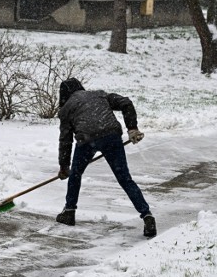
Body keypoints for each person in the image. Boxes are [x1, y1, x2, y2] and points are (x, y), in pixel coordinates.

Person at [55, 78, 156, 238]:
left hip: (87, 140)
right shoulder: (99, 94)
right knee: (124, 178)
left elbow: (65, 140)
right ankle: (147, 215)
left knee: (75, 174)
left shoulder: (66, 109)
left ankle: (69, 211)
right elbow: (126, 103)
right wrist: (132, 128)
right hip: (111, 135)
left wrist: (64, 166)